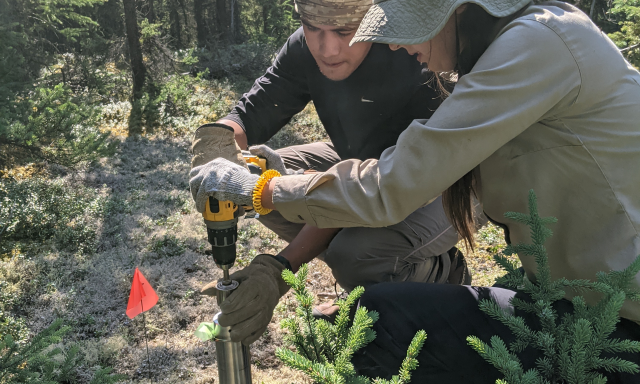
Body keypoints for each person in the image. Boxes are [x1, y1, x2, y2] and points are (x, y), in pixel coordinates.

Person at [190, 0, 640, 380]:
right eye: (314, 29)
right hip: (569, 300)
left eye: (404, 27)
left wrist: (263, 201)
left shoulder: (539, 44)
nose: (397, 43)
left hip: (617, 323)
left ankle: (435, 276)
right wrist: (228, 145)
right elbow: (263, 104)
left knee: (375, 315)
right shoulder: (507, 41)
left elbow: (392, 186)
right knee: (371, 302)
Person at [195, 0, 472, 331]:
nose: (327, 48)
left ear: (374, 23)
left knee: (354, 254)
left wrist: (278, 269)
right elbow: (254, 109)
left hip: (448, 182)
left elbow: (376, 191)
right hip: (365, 171)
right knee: (253, 173)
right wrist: (215, 145)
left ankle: (442, 281)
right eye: (314, 28)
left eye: (344, 31)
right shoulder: (303, 49)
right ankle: (374, 286)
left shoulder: (412, 55)